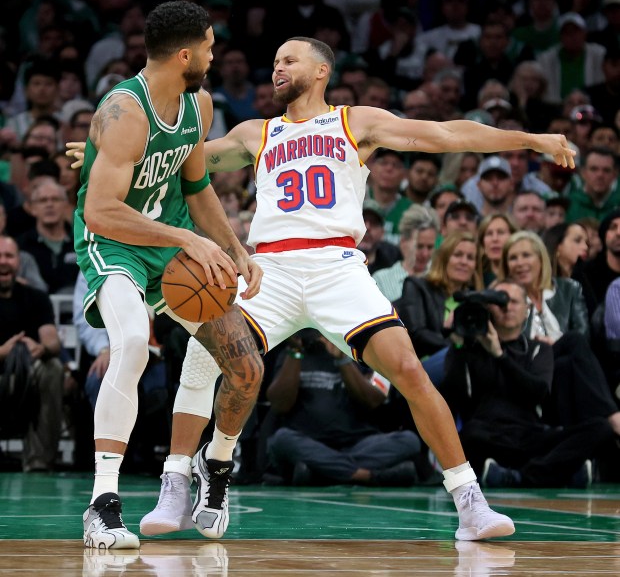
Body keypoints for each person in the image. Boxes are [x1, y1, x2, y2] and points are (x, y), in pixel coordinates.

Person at [70, 36, 576, 543]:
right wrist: (110, 149)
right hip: (270, 268)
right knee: (205, 357)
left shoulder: (356, 122)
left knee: (407, 369)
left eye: (288, 60)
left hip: (337, 266)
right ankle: (178, 479)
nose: (277, 69)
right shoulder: (255, 132)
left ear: (321, 71)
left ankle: (470, 501)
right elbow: (180, 162)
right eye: (273, 62)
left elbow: (446, 133)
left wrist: (530, 140)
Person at [72, 1, 263, 550]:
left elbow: (198, 188)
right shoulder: (124, 111)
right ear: (185, 54)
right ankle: (102, 505)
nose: (212, 53)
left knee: (245, 366)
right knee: (132, 343)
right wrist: (187, 239)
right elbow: (100, 210)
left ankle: (215, 465)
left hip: (173, 245)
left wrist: (232, 248)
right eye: (207, 45)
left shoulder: (199, 106)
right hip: (117, 246)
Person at [441, 279, 613, 488]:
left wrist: (499, 355)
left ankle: (519, 476)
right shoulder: (469, 351)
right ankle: (556, 472)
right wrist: (457, 341)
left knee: (600, 428)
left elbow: (538, 392)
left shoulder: (538, 349)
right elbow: (455, 396)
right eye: (499, 302)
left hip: (531, 435)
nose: (506, 307)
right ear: (487, 308)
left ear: (527, 309)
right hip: (487, 435)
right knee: (467, 438)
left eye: (513, 302)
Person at [498, 231, 620, 437]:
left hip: (565, 366)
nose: (519, 263)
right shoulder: (504, 299)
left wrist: (554, 343)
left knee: (567, 363)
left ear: (541, 258)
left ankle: (571, 440)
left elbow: (584, 339)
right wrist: (545, 346)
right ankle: (613, 416)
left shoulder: (569, 288)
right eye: (513, 258)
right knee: (571, 341)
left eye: (526, 255)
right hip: (530, 368)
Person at [266, 329, 421, 487]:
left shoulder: (357, 353)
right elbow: (280, 405)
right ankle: (366, 476)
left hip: (356, 443)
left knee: (410, 440)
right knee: (281, 440)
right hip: (309, 441)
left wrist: (343, 360)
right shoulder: (290, 355)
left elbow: (373, 401)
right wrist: (296, 352)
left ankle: (322, 473)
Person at [0, 235, 65, 472]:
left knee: (53, 368)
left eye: (8, 256)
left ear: (19, 261)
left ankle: (38, 460)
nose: (3, 262)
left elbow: (52, 340)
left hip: (26, 376)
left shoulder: (35, 298)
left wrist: (40, 348)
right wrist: (4, 352)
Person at [396, 231, 480, 386]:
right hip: (422, 366)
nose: (464, 262)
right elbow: (416, 333)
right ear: (444, 258)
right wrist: (456, 348)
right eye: (458, 255)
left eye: (470, 258)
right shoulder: (417, 286)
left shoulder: (476, 300)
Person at [476, 213, 518, 286]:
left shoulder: (523, 277)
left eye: (500, 232)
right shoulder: (475, 280)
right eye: (489, 234)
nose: (495, 239)